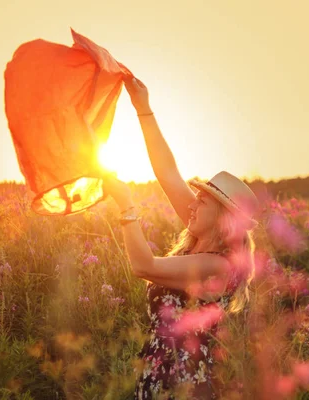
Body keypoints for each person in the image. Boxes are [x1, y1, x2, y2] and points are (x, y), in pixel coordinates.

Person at [100, 76, 261, 399]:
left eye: (202, 200)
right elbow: (167, 172)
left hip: (182, 384)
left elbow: (143, 266)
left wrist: (127, 206)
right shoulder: (201, 235)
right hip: (158, 374)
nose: (192, 202)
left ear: (223, 219)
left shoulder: (218, 266)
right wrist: (143, 108)